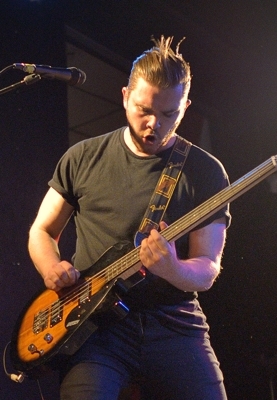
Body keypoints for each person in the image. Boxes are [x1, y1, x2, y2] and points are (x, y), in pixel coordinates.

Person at [27, 36, 230, 399]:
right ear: (125, 97)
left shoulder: (205, 171)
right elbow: (42, 230)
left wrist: (172, 268)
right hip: (96, 328)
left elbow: (207, 267)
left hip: (173, 323)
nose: (154, 124)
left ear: (185, 107)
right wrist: (51, 268)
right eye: (143, 109)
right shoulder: (82, 157)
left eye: (169, 114)